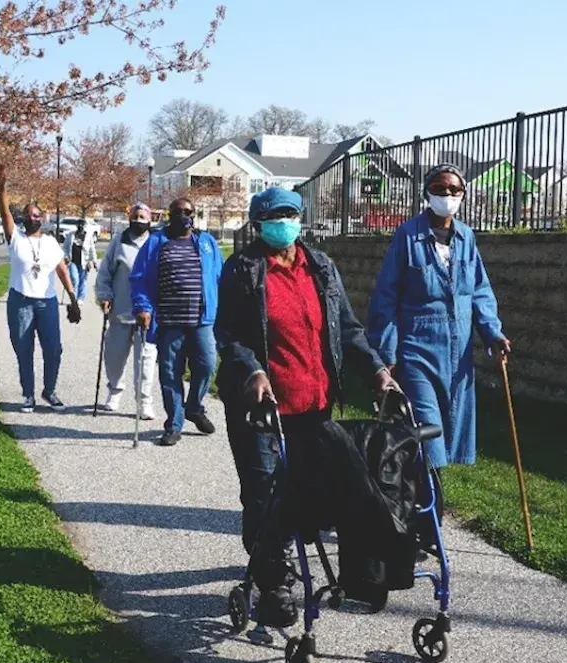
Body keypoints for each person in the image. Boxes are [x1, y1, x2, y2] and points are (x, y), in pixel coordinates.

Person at [216, 187, 398, 628]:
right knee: (265, 491)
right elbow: (230, 335)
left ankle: (360, 574)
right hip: (261, 408)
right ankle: (274, 581)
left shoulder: (320, 266)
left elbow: (348, 329)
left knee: (330, 487)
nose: (285, 222)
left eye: (292, 214)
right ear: (259, 223)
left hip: (314, 406)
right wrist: (254, 373)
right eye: (276, 215)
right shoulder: (242, 270)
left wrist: (376, 371)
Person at [367, 164, 510, 472]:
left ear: (463, 195)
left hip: (458, 355)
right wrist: (387, 355)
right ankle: (426, 506)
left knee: (450, 427)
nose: (447, 194)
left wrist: (492, 334)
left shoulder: (466, 237)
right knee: (426, 432)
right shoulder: (407, 237)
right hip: (417, 351)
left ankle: (425, 500)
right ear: (426, 193)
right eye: (439, 188)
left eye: (454, 190)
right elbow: (386, 297)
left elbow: (479, 292)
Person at [130, 197, 224, 446]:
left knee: (206, 365)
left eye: (189, 212)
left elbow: (220, 276)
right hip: (170, 321)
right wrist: (143, 307)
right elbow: (139, 278)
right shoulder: (156, 242)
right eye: (179, 212)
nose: (185, 215)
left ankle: (194, 406)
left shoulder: (206, 242)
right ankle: (174, 424)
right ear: (170, 215)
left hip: (202, 319)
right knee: (170, 374)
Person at [0, 167, 81, 413]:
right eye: (27, 215)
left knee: (54, 349)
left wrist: (73, 299)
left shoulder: (51, 243)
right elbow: (4, 213)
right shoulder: (16, 239)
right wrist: (2, 187)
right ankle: (28, 395)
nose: (31, 218)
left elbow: (62, 271)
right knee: (24, 350)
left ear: (42, 219)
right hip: (20, 302)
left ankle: (49, 391)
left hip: (47, 303)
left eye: (36, 215)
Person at [95, 203, 158, 419]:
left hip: (148, 314)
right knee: (114, 357)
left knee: (146, 360)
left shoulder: (156, 243)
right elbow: (105, 271)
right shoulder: (119, 241)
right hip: (121, 310)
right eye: (135, 216)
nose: (138, 220)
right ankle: (114, 391)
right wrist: (104, 295)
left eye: (143, 217)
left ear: (149, 220)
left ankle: (144, 402)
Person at [63, 219, 96, 303]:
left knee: (82, 280)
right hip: (72, 260)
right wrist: (66, 256)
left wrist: (93, 261)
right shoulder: (71, 235)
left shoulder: (88, 236)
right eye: (79, 225)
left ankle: (80, 298)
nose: (80, 227)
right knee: (74, 279)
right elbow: (65, 247)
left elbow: (92, 249)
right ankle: (74, 297)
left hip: (84, 261)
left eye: (82, 225)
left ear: (84, 226)